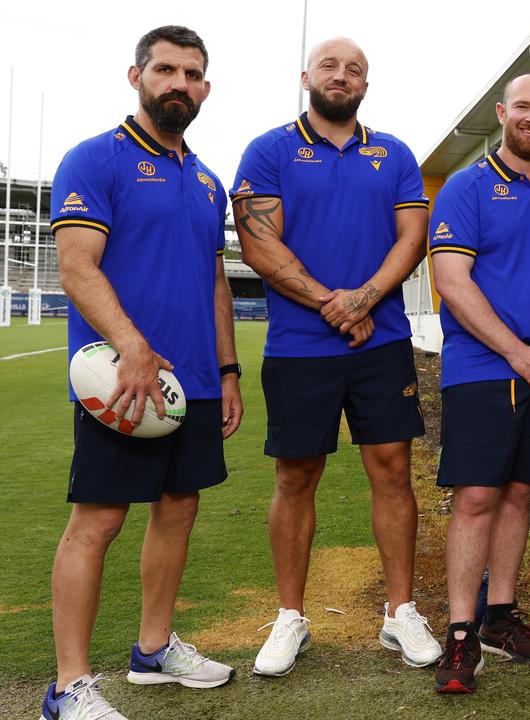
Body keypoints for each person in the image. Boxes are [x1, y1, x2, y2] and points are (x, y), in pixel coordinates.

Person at [44, 25, 240, 720]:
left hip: (194, 382)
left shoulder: (208, 179)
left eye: (192, 74)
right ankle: (69, 687)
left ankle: (153, 650)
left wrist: (228, 369)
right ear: (137, 78)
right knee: (97, 520)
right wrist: (131, 345)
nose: (178, 84)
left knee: (179, 508)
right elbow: (76, 268)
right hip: (121, 380)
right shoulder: (95, 159)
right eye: (165, 70)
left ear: (205, 88)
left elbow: (215, 280)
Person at [232, 37, 435, 677]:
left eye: (354, 70)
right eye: (329, 66)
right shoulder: (269, 150)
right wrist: (335, 304)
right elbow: (258, 244)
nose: (341, 76)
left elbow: (413, 237)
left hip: (382, 339)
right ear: (305, 77)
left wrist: (367, 297)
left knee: (393, 470)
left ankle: (399, 612)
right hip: (300, 346)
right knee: (296, 476)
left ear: (366, 85)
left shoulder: (395, 153)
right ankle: (291, 616)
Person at [429, 73, 530, 694]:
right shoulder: (465, 188)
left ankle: (501, 618)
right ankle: (460, 634)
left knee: (521, 493)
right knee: (477, 497)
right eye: (522, 107)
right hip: (482, 369)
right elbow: (452, 281)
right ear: (502, 113)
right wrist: (518, 353)